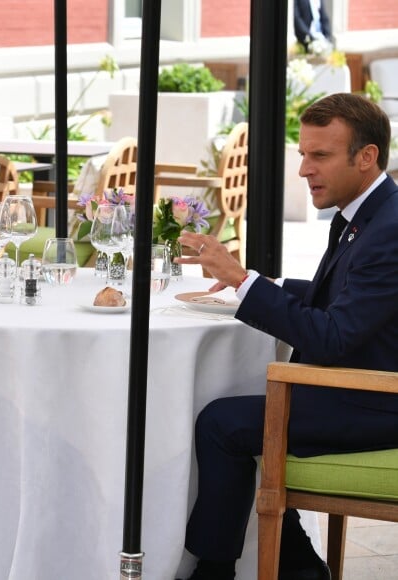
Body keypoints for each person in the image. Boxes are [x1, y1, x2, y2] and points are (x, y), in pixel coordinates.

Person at [175, 92, 398, 580]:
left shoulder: (389, 229)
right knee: (237, 415)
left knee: (222, 422)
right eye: (302, 154)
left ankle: (214, 571)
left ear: (367, 157)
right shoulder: (372, 213)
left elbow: (335, 336)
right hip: (358, 386)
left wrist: (242, 283)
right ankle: (299, 567)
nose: (303, 170)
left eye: (320, 156)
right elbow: (348, 297)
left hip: (377, 401)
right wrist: (261, 281)